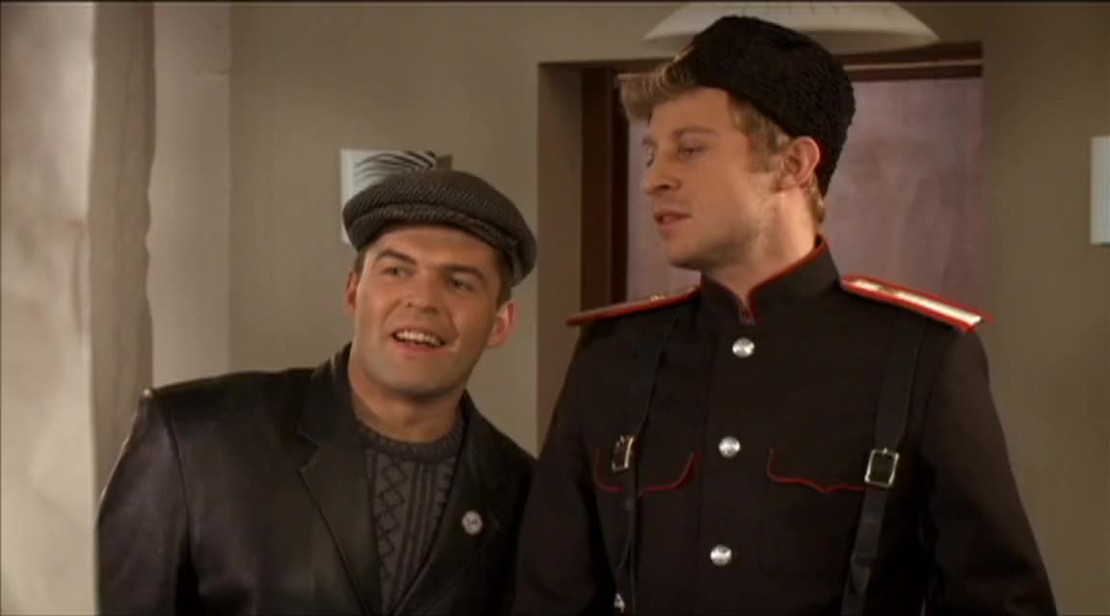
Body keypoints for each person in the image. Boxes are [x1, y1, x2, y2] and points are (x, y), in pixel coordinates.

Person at [512, 16, 1056, 616]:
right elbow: (551, 597)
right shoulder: (612, 354)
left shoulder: (921, 353)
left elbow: (1000, 602)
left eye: (690, 149)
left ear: (795, 164)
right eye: (651, 154)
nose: (655, 180)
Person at [98, 168, 537, 615]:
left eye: (459, 283)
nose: (422, 300)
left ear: (500, 324)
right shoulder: (190, 437)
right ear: (353, 292)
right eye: (397, 270)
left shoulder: (529, 496)